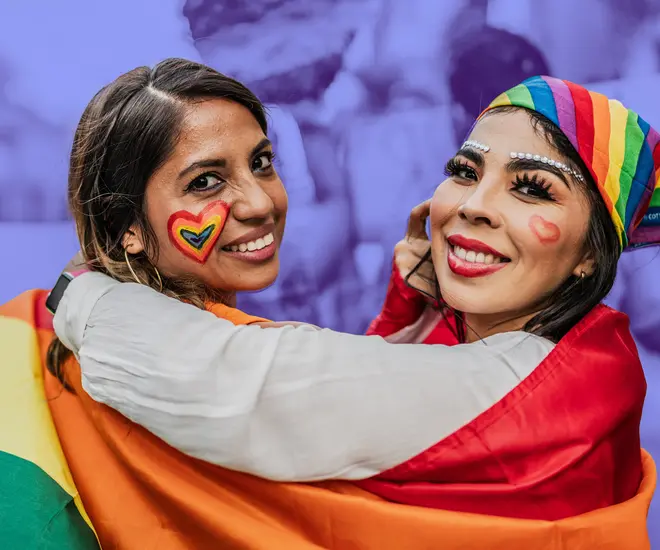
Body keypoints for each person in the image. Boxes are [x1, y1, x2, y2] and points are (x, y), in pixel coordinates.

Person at [20, 75, 654, 547]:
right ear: (126, 222)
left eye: (531, 188)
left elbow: (248, 388)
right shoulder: (471, 354)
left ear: (590, 259)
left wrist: (79, 292)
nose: (473, 205)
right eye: (464, 172)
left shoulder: (570, 385)